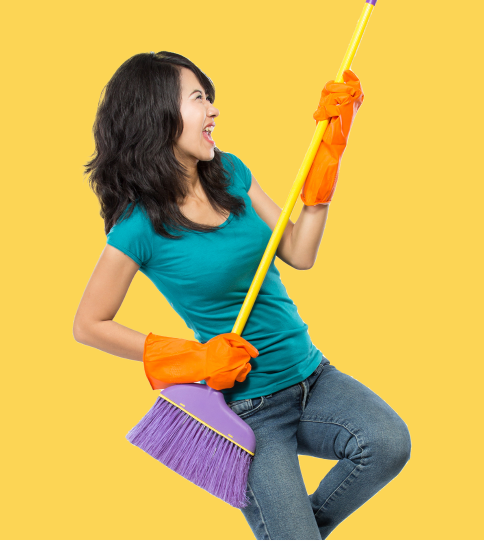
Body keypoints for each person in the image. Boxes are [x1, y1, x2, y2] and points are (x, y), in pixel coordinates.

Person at [74, 51, 411, 540]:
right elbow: (88, 324)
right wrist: (193, 357)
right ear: (157, 115)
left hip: (311, 376)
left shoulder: (230, 172)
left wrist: (325, 169)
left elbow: (298, 251)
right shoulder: (138, 226)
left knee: (387, 442)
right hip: (250, 414)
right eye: (198, 99)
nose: (213, 110)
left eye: (209, 98)